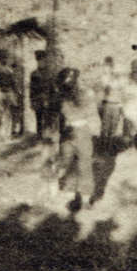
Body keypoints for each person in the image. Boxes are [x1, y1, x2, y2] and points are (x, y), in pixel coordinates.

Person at [55, 67, 100, 211]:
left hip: (79, 131)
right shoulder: (64, 96)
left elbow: (92, 113)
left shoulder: (84, 94)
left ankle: (83, 198)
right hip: (72, 132)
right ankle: (73, 197)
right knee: (71, 164)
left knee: (81, 164)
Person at [98, 56, 124, 150]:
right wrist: (112, 79)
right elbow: (107, 89)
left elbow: (121, 89)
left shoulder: (118, 77)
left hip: (116, 104)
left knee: (114, 127)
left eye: (110, 66)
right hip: (107, 104)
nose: (108, 68)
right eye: (107, 65)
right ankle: (103, 147)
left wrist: (116, 78)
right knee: (105, 127)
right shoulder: (104, 77)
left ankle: (110, 147)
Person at [29, 49, 54, 139]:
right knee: (38, 117)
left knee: (48, 117)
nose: (41, 63)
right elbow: (32, 88)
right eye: (39, 61)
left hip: (47, 97)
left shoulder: (49, 73)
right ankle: (39, 135)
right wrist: (32, 101)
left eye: (42, 60)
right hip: (38, 98)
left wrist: (50, 98)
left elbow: (52, 86)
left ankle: (48, 135)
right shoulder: (34, 74)